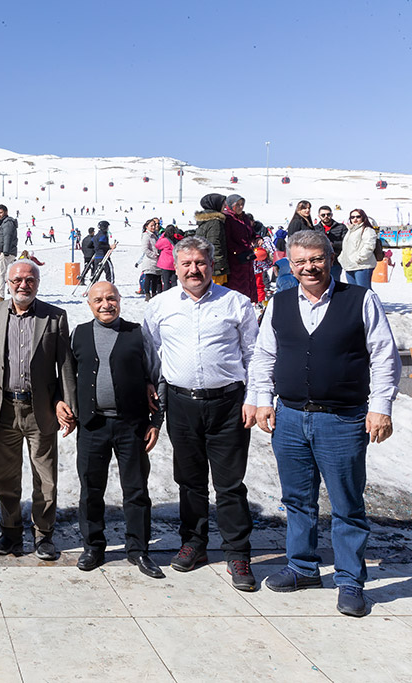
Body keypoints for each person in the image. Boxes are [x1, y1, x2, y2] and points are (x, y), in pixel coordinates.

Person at [244, 230, 401, 616]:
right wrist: (261, 400)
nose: (308, 267)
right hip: (291, 418)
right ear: (289, 264)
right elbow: (264, 356)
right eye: (300, 262)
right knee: (297, 501)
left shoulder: (360, 300)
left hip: (343, 420)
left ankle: (350, 580)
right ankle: (302, 567)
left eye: (315, 259)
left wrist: (380, 407)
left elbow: (384, 356)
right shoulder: (279, 304)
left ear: (331, 258)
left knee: (347, 505)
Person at [143, 236, 259, 591]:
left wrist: (254, 398)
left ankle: (237, 552)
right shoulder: (159, 306)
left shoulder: (236, 304)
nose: (194, 270)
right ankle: (194, 543)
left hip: (228, 404)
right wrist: (151, 394)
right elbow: (151, 355)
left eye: (200, 263)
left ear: (212, 265)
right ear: (175, 267)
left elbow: (255, 355)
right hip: (181, 404)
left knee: (229, 484)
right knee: (189, 480)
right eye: (186, 264)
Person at [68, 281, 164, 579]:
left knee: (135, 490)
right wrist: (66, 405)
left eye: (111, 298)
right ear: (89, 303)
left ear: (120, 300)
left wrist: (156, 421)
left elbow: (157, 376)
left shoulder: (136, 333)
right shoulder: (79, 334)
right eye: (98, 300)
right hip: (92, 425)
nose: (105, 304)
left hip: (131, 426)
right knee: (90, 490)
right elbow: (68, 376)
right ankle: (93, 546)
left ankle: (139, 550)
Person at [0, 261, 74, 560]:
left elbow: (65, 366)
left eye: (30, 279)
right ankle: (10, 530)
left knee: (44, 476)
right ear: (7, 282)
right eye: (18, 279)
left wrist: (65, 401)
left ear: (38, 283)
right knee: (6, 476)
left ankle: (43, 533)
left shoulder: (55, 316)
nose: (24, 285)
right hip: (4, 408)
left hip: (40, 408)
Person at [223, 194, 258, 302]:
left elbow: (251, 233)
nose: (241, 207)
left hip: (247, 259)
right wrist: (241, 250)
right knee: (236, 288)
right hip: (235, 260)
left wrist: (257, 238)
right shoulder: (227, 218)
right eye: (237, 205)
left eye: (242, 204)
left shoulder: (245, 218)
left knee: (248, 286)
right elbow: (227, 240)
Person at [194, 194, 229, 285]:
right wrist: (219, 264)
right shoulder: (215, 222)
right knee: (216, 292)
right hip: (214, 266)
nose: (225, 207)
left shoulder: (205, 221)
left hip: (205, 261)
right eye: (223, 204)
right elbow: (215, 243)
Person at [339, 208, 377, 289]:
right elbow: (346, 247)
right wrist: (342, 258)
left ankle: (372, 302)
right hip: (349, 265)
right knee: (353, 291)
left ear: (363, 217)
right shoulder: (350, 230)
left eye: (358, 216)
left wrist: (358, 258)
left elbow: (369, 246)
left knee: (364, 290)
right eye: (352, 217)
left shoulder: (367, 230)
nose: (355, 219)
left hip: (362, 265)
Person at [0, 204, 18, 301]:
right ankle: (1, 291)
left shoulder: (7, 223)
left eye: (1, 212)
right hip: (5, 251)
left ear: (6, 212)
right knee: (5, 274)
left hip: (5, 252)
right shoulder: (4, 223)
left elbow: (7, 237)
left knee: (0, 273)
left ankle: (0, 296)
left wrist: (5, 251)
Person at [315, 206, 347, 281]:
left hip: (335, 261)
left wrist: (333, 244)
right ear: (319, 216)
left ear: (331, 215)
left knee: (334, 283)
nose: (326, 217)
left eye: (328, 214)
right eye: (323, 215)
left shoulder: (341, 227)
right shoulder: (315, 229)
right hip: (319, 261)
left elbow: (346, 243)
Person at [139, 218, 161, 300]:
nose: (153, 227)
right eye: (151, 225)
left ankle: (154, 293)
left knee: (155, 278)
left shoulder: (154, 235)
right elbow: (145, 249)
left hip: (156, 261)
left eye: (154, 225)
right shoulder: (146, 235)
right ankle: (147, 294)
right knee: (148, 277)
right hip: (149, 260)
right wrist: (154, 255)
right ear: (146, 226)